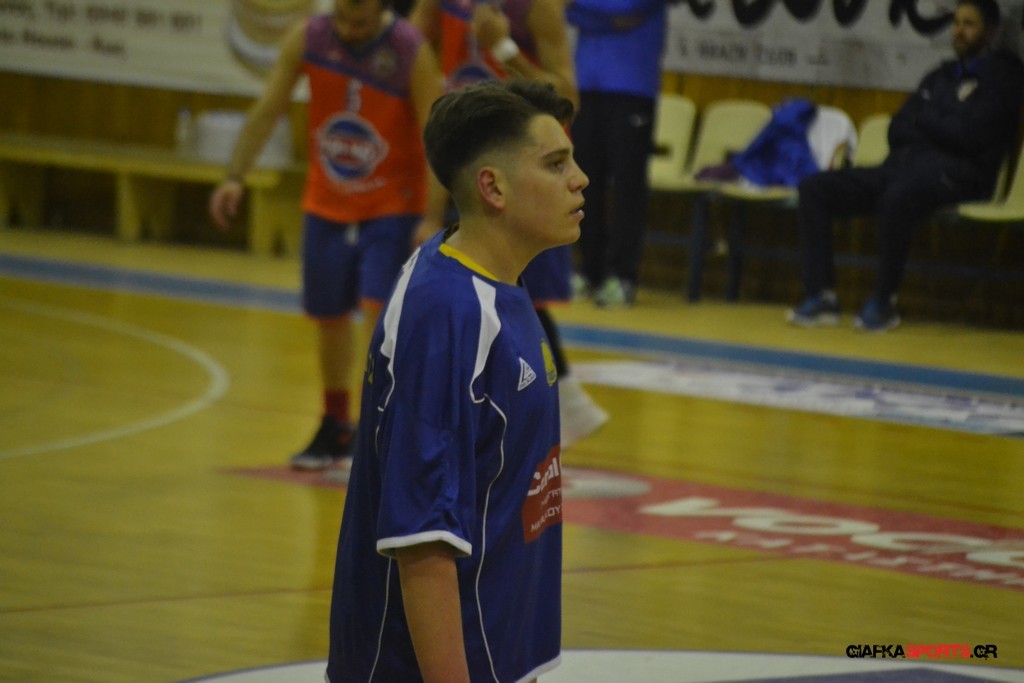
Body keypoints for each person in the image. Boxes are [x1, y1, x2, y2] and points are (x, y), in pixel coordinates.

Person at [326, 79, 586, 682]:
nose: (580, 179)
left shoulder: (493, 279)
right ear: (492, 187)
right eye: (556, 164)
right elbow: (422, 539)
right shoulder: (447, 316)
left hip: (497, 651)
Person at [209, 0, 446, 469]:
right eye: (342, 18)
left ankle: (378, 427)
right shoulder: (309, 37)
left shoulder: (408, 50)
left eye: (360, 22)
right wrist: (235, 175)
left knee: (381, 318)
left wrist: (432, 216)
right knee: (328, 315)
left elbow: (435, 133)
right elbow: (269, 107)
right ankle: (335, 423)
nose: (349, 30)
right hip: (326, 202)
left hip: (391, 205)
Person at [410, 0, 609, 447]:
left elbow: (567, 98)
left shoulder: (537, 6)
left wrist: (503, 48)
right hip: (460, 153)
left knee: (514, 291)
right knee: (467, 291)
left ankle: (550, 404)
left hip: (517, 166)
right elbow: (407, 46)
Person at [787, 0, 1024, 332]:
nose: (959, 31)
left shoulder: (1005, 79)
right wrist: (942, 124)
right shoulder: (940, 76)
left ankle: (884, 301)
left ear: (990, 31)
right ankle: (821, 295)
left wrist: (927, 121)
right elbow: (897, 127)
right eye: (956, 23)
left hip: (958, 175)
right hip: (903, 168)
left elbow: (970, 135)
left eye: (969, 24)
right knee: (815, 188)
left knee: (897, 198)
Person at [565, 0, 669, 307]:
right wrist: (609, 19)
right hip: (586, 84)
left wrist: (588, 11)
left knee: (627, 186)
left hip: (632, 86)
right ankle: (590, 270)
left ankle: (621, 276)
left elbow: (627, 5)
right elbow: (566, 11)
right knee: (584, 181)